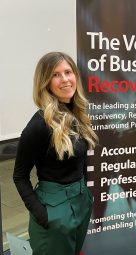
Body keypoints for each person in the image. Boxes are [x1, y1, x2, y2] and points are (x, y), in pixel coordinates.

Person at [13, 52, 98, 255]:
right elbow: (19, 176)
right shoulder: (39, 125)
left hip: (80, 204)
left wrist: (85, 194)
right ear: (45, 82)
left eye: (68, 72)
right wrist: (44, 216)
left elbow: (81, 161)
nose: (65, 79)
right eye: (56, 75)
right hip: (54, 211)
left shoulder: (76, 115)